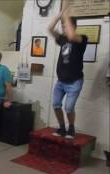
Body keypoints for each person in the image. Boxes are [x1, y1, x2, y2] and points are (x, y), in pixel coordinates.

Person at [48, 8, 87, 139]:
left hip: (75, 81)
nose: (64, 29)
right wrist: (59, 15)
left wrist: (66, 17)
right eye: (63, 26)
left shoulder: (82, 39)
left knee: (69, 108)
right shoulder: (62, 40)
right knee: (56, 105)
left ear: (74, 27)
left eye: (66, 26)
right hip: (61, 81)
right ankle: (62, 128)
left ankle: (71, 128)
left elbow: (71, 35)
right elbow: (50, 29)